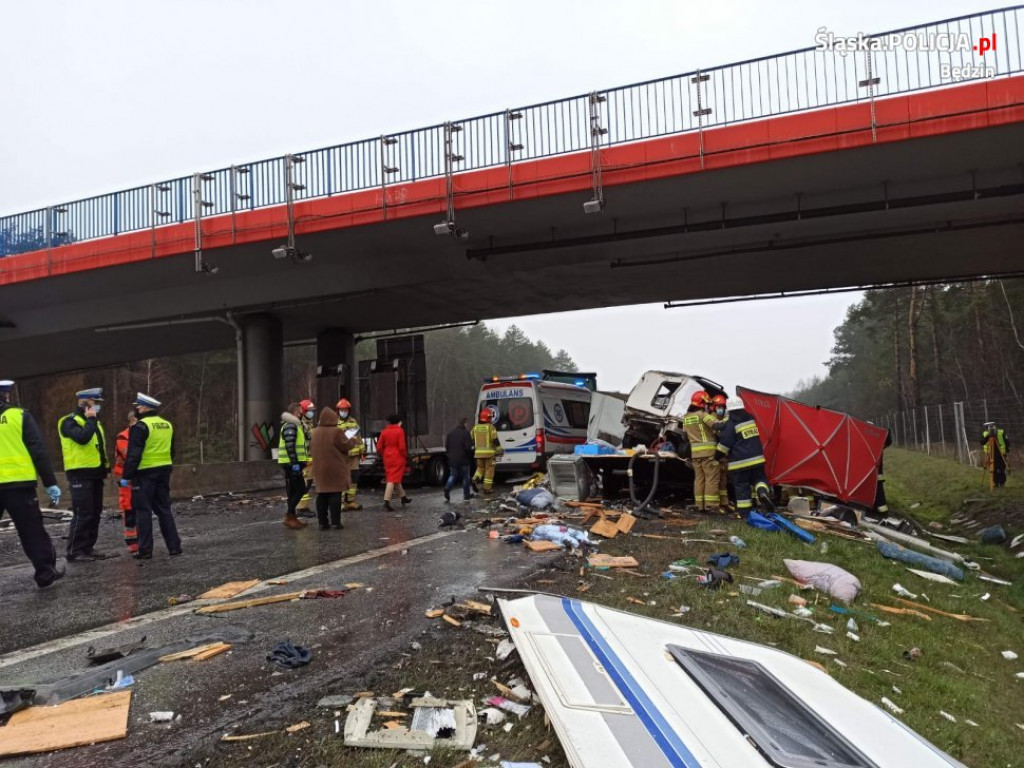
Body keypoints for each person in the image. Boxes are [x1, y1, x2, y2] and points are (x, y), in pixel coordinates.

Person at [0, 380, 64, 588]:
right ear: (6, 395)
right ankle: (45, 573)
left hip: (16, 485)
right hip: (19, 486)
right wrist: (49, 482)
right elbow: (37, 450)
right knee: (31, 531)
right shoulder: (19, 416)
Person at [121, 393, 181, 559]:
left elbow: (134, 455)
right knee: (164, 509)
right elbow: (172, 451)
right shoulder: (167, 425)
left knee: (143, 511)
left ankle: (145, 550)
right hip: (164, 471)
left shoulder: (140, 427)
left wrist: (126, 476)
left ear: (145, 407)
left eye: (138, 407)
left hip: (144, 473)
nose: (137, 409)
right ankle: (174, 547)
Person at [57, 387, 110, 562]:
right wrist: (91, 420)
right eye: (95, 402)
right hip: (79, 474)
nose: (98, 406)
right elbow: (82, 438)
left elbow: (98, 447)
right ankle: (75, 550)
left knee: (95, 512)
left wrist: (105, 468)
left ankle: (88, 547)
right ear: (86, 403)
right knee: (83, 513)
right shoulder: (69, 421)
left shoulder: (93, 422)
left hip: (95, 473)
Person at [716, 397, 773, 515]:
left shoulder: (731, 424)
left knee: (742, 486)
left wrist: (716, 457)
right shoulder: (751, 419)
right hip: (757, 459)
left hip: (740, 463)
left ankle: (745, 512)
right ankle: (762, 493)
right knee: (760, 480)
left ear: (729, 410)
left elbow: (724, 445)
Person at [310, 407, 359, 529]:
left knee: (322, 495)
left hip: (319, 468)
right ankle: (336, 522)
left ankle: (322, 522)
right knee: (335, 493)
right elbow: (345, 445)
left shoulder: (315, 432)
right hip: (335, 467)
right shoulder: (336, 431)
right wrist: (353, 440)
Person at [683, 390, 723, 513]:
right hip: (709, 453)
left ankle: (699, 505)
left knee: (699, 479)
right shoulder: (702, 415)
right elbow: (717, 425)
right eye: (706, 403)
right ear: (702, 403)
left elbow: (684, 436)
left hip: (695, 454)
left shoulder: (686, 417)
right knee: (712, 479)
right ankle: (711, 505)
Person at [278, 402, 311, 530]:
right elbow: (290, 446)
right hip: (291, 464)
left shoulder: (295, 425)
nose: (302, 414)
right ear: (296, 413)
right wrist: (295, 464)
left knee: (292, 491)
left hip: (291, 463)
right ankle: (289, 516)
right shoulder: (291, 426)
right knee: (301, 489)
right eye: (300, 412)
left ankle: (292, 517)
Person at [113, 410, 139, 554]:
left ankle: (139, 538)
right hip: (125, 477)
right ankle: (131, 541)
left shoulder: (140, 434)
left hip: (137, 475)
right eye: (135, 420)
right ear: (130, 421)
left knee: (138, 507)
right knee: (128, 507)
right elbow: (129, 455)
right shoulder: (123, 436)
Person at [336, 398, 365, 511]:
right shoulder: (335, 423)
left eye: (345, 410)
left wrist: (362, 451)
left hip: (354, 456)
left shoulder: (353, 422)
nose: (343, 412)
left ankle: (350, 501)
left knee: (354, 477)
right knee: (342, 478)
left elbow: (358, 438)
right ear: (338, 410)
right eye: (341, 410)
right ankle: (341, 502)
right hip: (342, 455)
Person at [377, 414, 411, 511]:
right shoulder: (400, 431)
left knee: (394, 477)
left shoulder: (384, 431)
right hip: (397, 457)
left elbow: (379, 447)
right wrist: (405, 456)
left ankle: (403, 497)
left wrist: (384, 453)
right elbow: (402, 447)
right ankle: (386, 501)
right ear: (398, 422)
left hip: (387, 457)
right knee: (392, 479)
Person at [295, 399, 318, 517]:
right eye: (309, 410)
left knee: (308, 483)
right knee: (304, 483)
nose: (311, 412)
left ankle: (303, 507)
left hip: (309, 458)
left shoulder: (309, 424)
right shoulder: (301, 425)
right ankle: (301, 508)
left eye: (312, 410)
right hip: (303, 459)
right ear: (303, 411)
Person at [443, 417, 475, 502]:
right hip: (463, 459)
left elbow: (447, 447)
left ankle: (447, 487)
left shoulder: (451, 433)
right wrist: (471, 452)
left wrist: (450, 455)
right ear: (465, 424)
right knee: (465, 477)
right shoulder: (466, 433)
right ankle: (466, 495)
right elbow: (468, 447)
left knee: (453, 475)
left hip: (453, 459)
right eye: (467, 423)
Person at [471, 409, 502, 495]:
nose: (491, 419)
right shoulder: (490, 427)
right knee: (489, 470)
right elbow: (495, 440)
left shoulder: (475, 427)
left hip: (478, 454)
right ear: (488, 418)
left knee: (480, 468)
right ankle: (487, 488)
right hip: (489, 454)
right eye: (490, 417)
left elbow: (471, 438)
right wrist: (499, 449)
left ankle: (475, 479)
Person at [709, 393, 731, 510]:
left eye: (722, 406)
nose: (720, 409)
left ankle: (724, 502)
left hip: (723, 455)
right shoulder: (712, 419)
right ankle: (715, 504)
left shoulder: (723, 419)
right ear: (713, 407)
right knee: (715, 480)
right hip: (715, 454)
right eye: (718, 406)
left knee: (723, 480)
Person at [981, 421, 1010, 488]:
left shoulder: (1000, 432)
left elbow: (1007, 443)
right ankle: (997, 483)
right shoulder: (986, 434)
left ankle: (1000, 483)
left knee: (1000, 469)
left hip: (1000, 454)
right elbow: (982, 442)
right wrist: (988, 436)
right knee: (994, 469)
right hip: (991, 454)